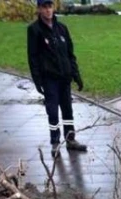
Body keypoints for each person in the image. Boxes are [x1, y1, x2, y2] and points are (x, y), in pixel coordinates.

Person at [27, 0, 87, 154]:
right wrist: (37, 80)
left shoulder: (62, 28)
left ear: (53, 8)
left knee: (67, 110)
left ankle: (70, 139)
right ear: (39, 9)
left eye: (50, 7)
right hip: (49, 79)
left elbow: (70, 54)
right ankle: (55, 142)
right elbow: (32, 57)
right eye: (44, 7)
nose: (48, 10)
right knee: (53, 112)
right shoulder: (34, 30)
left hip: (64, 77)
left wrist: (76, 74)